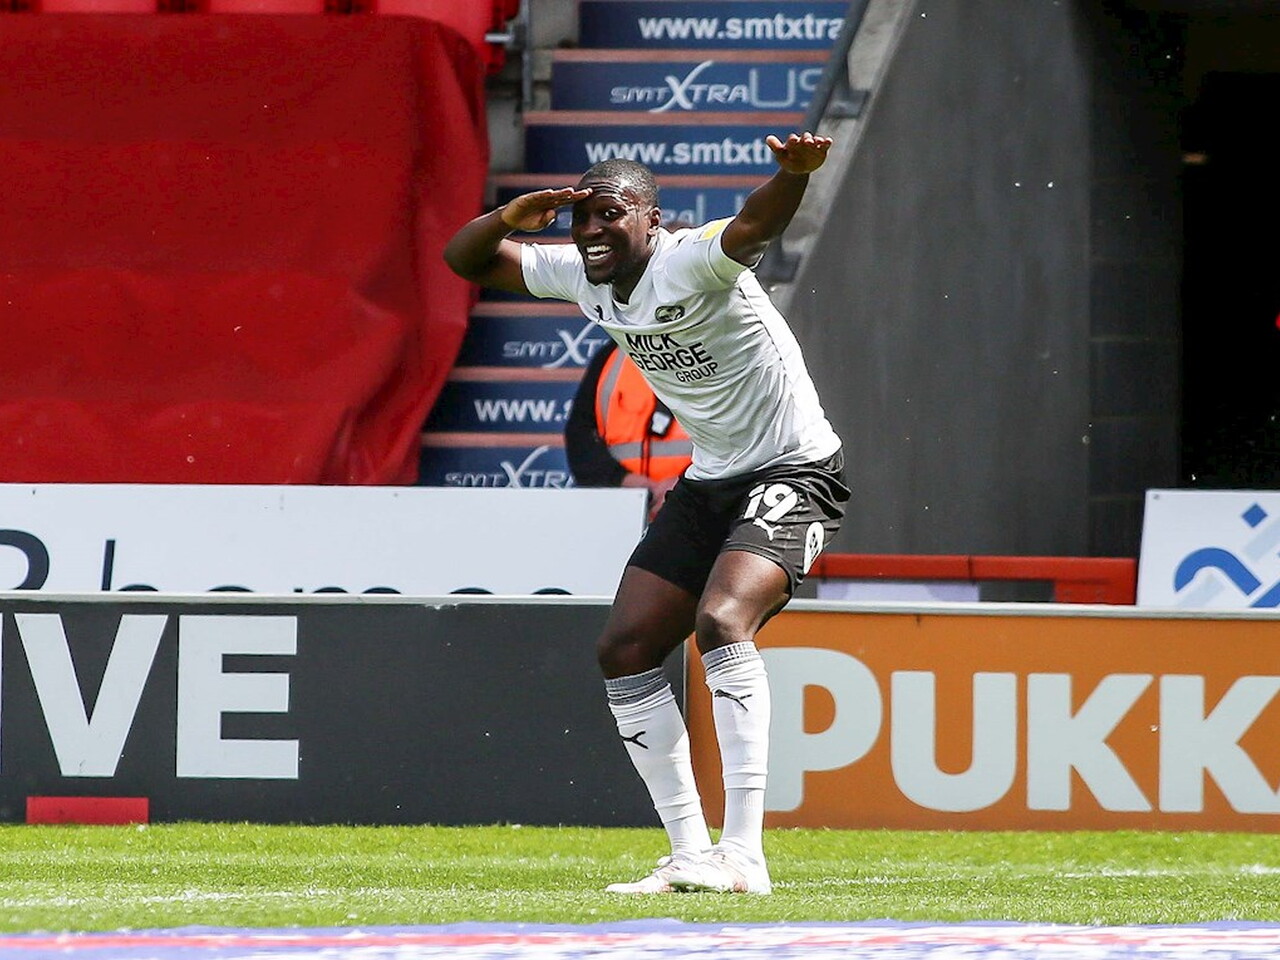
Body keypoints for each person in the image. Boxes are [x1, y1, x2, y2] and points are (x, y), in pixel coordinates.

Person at [444, 131, 848, 895]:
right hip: (713, 479)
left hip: (796, 469)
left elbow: (752, 227)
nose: (592, 229)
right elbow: (465, 260)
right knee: (625, 648)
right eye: (582, 217)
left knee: (722, 621)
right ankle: (691, 853)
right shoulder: (580, 273)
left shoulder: (688, 259)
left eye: (611, 214)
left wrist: (792, 176)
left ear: (651, 220)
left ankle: (744, 854)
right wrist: (507, 217)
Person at [565, 338, 693, 522]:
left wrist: (687, 483)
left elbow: (733, 439)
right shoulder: (611, 355)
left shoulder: (715, 349)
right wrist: (622, 479)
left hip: (697, 508)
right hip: (618, 509)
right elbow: (579, 436)